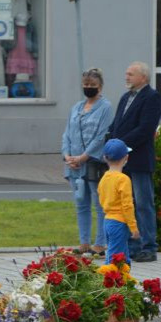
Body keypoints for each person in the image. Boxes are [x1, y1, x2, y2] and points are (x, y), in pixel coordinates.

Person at [108, 61, 161, 262]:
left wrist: (120, 144)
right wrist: (110, 141)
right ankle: (131, 245)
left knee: (143, 203)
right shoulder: (126, 97)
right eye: (126, 73)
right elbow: (117, 123)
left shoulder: (151, 97)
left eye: (130, 74)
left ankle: (148, 246)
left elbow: (146, 128)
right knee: (125, 203)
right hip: (122, 160)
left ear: (143, 77)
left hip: (139, 159)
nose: (126, 77)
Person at [62, 67, 113, 255]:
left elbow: (101, 136)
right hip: (73, 164)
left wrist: (84, 157)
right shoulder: (76, 107)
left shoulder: (105, 107)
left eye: (92, 85)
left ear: (100, 87)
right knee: (80, 203)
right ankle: (83, 242)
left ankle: (100, 243)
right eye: (85, 85)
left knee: (98, 203)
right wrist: (67, 155)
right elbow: (67, 132)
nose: (88, 88)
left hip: (93, 162)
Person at [97, 139, 140, 264]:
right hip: (119, 223)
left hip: (107, 220)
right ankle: (106, 281)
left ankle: (124, 280)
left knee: (123, 259)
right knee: (114, 259)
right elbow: (127, 205)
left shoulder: (104, 178)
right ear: (126, 157)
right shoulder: (123, 179)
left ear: (105, 158)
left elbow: (101, 196)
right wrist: (133, 227)